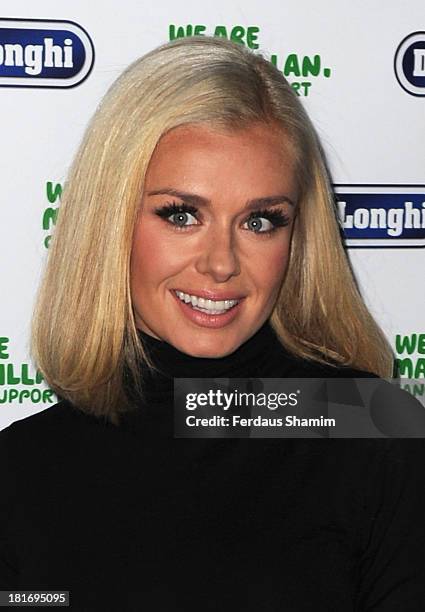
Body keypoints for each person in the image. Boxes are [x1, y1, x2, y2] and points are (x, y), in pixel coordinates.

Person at [0, 35, 424, 611]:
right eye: (181, 214)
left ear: (297, 239)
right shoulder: (20, 470)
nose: (220, 263)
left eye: (261, 221)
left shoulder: (374, 431)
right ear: (111, 219)